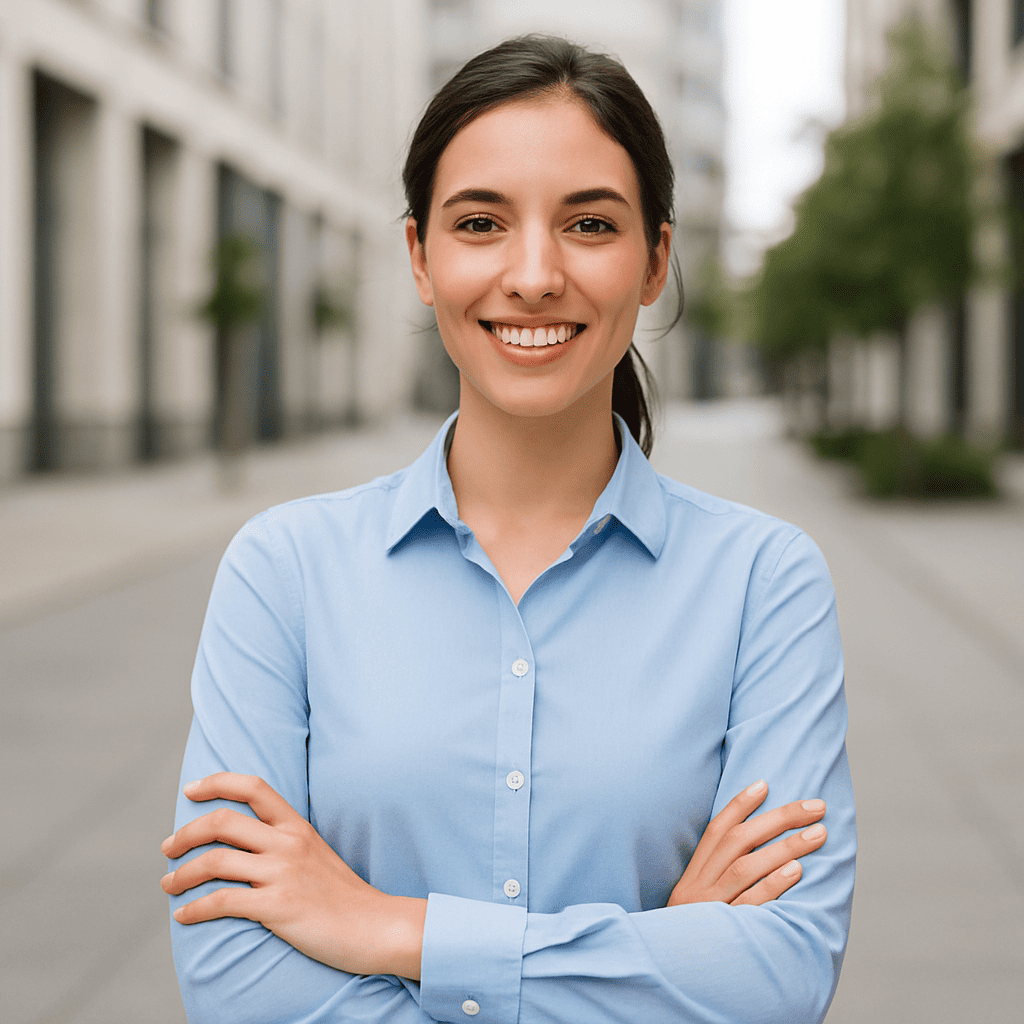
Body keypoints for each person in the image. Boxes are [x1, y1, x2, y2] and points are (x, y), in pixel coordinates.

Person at [162, 35, 855, 1024]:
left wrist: (388, 928)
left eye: (589, 224)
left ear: (656, 259)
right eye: (480, 222)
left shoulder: (763, 582)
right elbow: (235, 981)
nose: (532, 275)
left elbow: (775, 978)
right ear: (418, 257)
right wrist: (656, 953)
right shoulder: (285, 572)